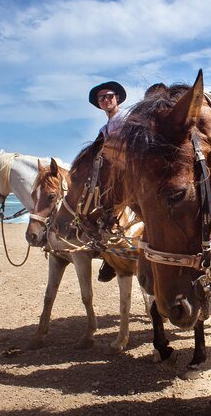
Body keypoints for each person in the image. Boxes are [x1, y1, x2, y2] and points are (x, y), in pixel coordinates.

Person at [88, 80, 127, 283]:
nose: (106, 100)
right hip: (110, 175)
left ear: (117, 98)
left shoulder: (127, 118)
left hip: (128, 170)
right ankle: (108, 257)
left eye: (109, 96)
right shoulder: (103, 129)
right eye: (101, 98)